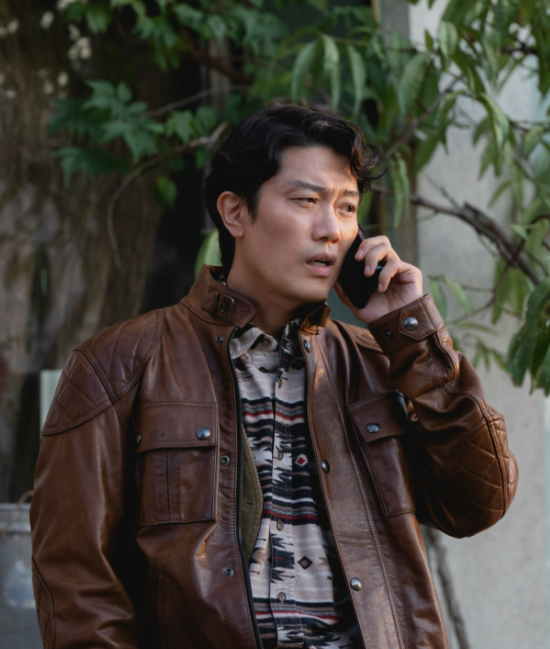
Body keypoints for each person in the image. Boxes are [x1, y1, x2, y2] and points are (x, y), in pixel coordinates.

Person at [30, 105, 518, 649]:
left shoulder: (380, 362)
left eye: (347, 207)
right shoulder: (118, 365)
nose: (331, 230)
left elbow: (477, 503)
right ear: (235, 213)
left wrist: (412, 335)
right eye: (306, 201)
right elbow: (76, 584)